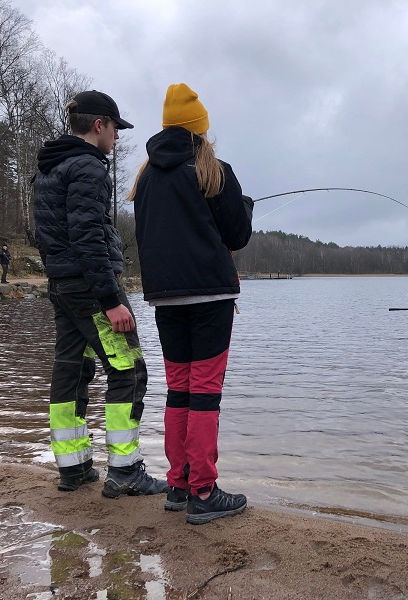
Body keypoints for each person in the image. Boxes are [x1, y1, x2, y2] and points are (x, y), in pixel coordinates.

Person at [129, 83, 254, 524]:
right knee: (205, 392)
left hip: (165, 298)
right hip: (210, 296)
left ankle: (179, 484)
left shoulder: (145, 178)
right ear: (201, 130)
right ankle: (203, 490)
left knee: (179, 389)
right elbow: (236, 235)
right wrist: (243, 206)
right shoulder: (214, 170)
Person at [33, 90, 167, 498]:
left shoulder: (49, 168)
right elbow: (87, 236)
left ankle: (73, 469)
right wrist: (110, 300)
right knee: (129, 370)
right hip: (92, 289)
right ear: (99, 126)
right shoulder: (88, 168)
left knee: (71, 371)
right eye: (115, 129)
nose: (117, 138)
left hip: (62, 285)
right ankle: (125, 469)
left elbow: (52, 234)